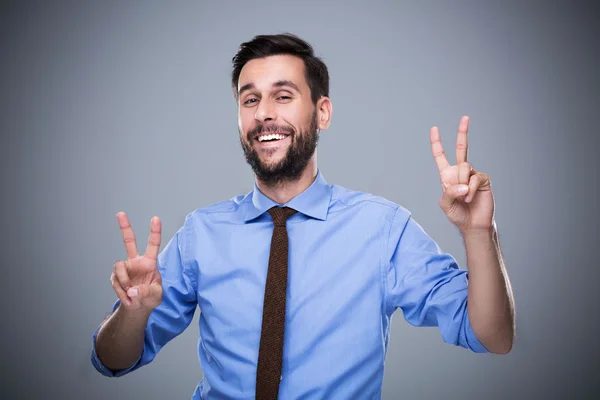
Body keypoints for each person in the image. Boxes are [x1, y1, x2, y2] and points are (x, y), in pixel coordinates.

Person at [91, 33, 515, 399]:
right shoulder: (201, 233)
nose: (263, 113)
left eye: (283, 95)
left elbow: (491, 335)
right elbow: (111, 359)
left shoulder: (383, 229)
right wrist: (131, 312)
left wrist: (480, 232)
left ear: (322, 113)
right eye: (250, 99)